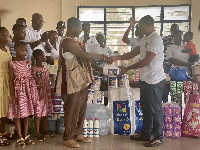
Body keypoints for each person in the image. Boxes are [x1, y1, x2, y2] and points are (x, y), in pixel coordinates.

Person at [110, 15, 166, 147]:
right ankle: (145, 134)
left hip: (154, 80)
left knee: (155, 109)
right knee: (146, 108)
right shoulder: (145, 39)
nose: (138, 28)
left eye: (140, 26)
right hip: (145, 79)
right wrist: (116, 57)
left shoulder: (155, 39)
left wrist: (127, 68)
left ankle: (158, 137)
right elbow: (132, 53)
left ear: (148, 25)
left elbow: (147, 60)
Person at [55, 17, 111, 148]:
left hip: (80, 79)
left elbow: (85, 57)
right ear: (73, 27)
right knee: (72, 108)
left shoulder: (76, 42)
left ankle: (77, 133)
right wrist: (103, 57)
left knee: (81, 107)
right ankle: (67, 137)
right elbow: (83, 55)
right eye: (80, 27)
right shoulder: (67, 42)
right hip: (70, 80)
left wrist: (98, 68)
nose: (82, 30)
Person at [7, 41, 41, 148]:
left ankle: (26, 135)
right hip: (18, 91)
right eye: (22, 50)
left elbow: (30, 75)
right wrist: (13, 96)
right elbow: (10, 81)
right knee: (17, 114)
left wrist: (36, 81)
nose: (24, 52)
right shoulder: (12, 64)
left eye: (26, 50)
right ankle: (20, 136)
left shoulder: (28, 62)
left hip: (28, 91)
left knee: (27, 114)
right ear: (15, 50)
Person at [32, 49, 54, 141]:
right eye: (44, 55)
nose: (46, 57)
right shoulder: (34, 69)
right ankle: (37, 132)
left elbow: (49, 79)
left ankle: (45, 130)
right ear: (40, 58)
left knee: (45, 112)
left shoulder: (46, 67)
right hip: (38, 94)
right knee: (38, 112)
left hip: (46, 93)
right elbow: (33, 81)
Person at [0, 27, 13, 146]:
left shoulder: (7, 49)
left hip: (6, 82)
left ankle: (2, 131)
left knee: (4, 107)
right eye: (4, 35)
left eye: (8, 35)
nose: (8, 37)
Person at [162, 24, 179, 103]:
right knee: (165, 83)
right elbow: (161, 50)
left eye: (177, 28)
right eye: (173, 29)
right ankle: (164, 102)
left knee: (174, 84)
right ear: (171, 30)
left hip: (176, 66)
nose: (175, 30)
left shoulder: (181, 41)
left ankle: (174, 102)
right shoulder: (165, 39)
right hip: (166, 65)